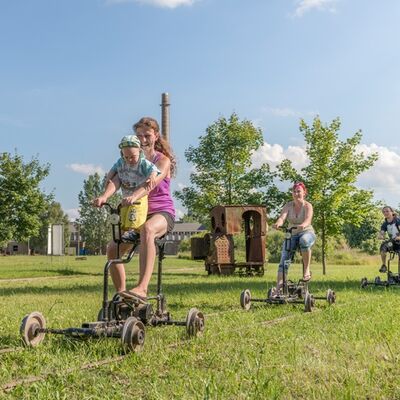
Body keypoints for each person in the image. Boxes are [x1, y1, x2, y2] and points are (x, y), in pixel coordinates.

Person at [95, 117, 176, 303]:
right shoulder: (129, 160)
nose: (143, 139)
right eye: (139, 136)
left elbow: (151, 183)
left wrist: (134, 197)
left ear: (156, 136)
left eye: (147, 135)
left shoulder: (163, 161)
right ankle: (123, 295)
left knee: (148, 229)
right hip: (137, 215)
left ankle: (142, 288)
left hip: (161, 212)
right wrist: (104, 196)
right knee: (112, 248)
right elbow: (116, 180)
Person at [272, 182, 316, 292]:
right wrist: (278, 223)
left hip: (306, 232)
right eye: (294, 192)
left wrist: (303, 225)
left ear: (304, 193)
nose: (296, 194)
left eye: (299, 191)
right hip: (291, 233)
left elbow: (308, 220)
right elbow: (282, 217)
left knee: (304, 240)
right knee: (284, 259)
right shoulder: (288, 205)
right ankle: (279, 288)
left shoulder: (307, 206)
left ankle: (306, 269)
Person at [378, 206, 400, 273]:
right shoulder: (385, 224)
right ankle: (384, 265)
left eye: (387, 211)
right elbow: (382, 233)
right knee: (383, 246)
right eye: (384, 212)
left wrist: (398, 237)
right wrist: (381, 236)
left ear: (392, 212)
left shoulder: (398, 221)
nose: (385, 213)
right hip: (392, 242)